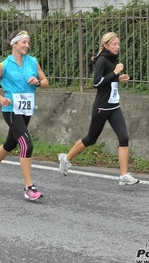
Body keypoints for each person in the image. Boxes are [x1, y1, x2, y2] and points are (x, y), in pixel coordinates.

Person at [58, 32, 139, 186]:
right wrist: (115, 73)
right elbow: (97, 83)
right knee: (91, 139)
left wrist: (119, 78)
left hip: (114, 106)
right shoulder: (102, 60)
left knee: (124, 138)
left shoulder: (111, 60)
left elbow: (107, 80)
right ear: (106, 45)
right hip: (102, 107)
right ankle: (66, 159)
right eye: (114, 44)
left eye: (118, 44)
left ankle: (123, 175)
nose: (118, 47)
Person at [0, 30, 49, 200]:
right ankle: (29, 188)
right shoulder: (4, 65)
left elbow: (46, 82)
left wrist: (38, 82)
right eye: (24, 42)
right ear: (14, 44)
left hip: (26, 110)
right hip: (11, 110)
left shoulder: (33, 62)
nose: (27, 45)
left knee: (10, 144)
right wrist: (0, 98)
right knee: (27, 145)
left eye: (28, 42)